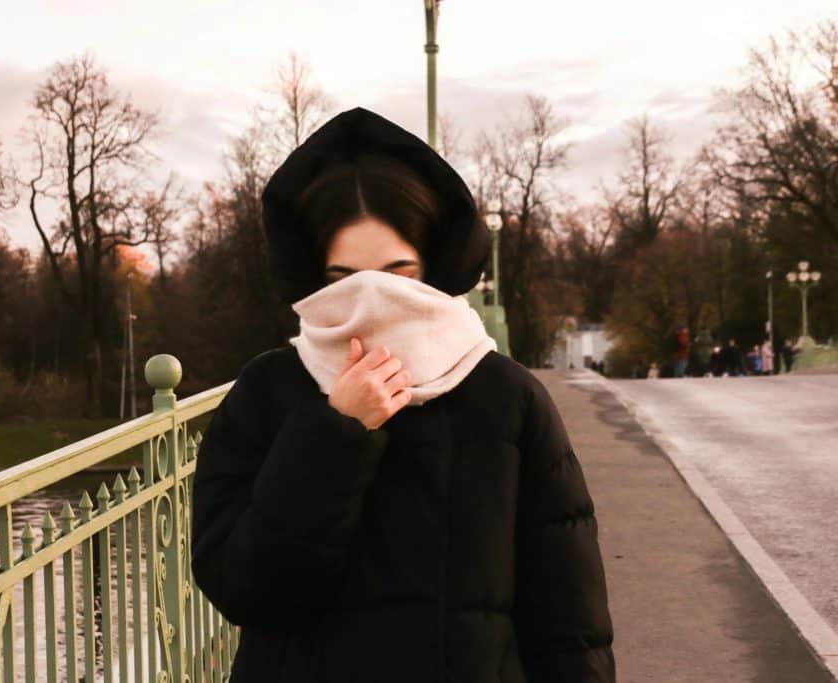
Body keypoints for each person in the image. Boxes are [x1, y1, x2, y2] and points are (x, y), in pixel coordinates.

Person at [190, 107, 615, 682]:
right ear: (315, 278)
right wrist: (335, 434)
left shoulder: (506, 397)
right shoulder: (268, 393)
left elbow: (568, 623)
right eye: (344, 280)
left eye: (397, 274)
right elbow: (245, 590)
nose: (371, 300)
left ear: (434, 268)